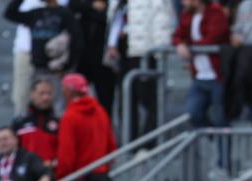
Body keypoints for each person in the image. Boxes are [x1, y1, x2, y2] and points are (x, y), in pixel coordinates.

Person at [106, 0, 177, 141]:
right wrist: (112, 43)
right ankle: (130, 140)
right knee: (126, 98)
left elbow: (162, 22)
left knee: (147, 98)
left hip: (144, 52)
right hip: (124, 52)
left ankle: (150, 141)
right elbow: (115, 19)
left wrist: (158, 53)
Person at [4, 0, 84, 107]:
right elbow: (10, 13)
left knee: (57, 105)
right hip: (38, 68)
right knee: (30, 102)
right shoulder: (36, 13)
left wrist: (67, 66)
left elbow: (77, 40)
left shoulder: (64, 13)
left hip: (56, 69)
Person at [173, 0, 230, 128]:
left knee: (220, 118)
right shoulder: (187, 15)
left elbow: (213, 38)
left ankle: (223, 147)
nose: (183, 2)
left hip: (217, 77)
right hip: (199, 77)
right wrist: (180, 44)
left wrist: (189, 47)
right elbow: (177, 35)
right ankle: (210, 139)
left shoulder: (216, 13)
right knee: (193, 114)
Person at [55, 74, 117, 180]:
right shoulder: (100, 111)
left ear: (68, 91)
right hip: (100, 176)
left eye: (64, 88)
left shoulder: (70, 116)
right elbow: (111, 145)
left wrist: (61, 178)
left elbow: (66, 154)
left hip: (78, 178)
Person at [72, 0, 118, 116]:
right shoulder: (85, 6)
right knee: (77, 99)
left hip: (104, 60)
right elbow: (72, 5)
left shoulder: (112, 4)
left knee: (105, 102)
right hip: (83, 57)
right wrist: (91, 6)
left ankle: (103, 131)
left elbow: (111, 17)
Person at [12, 78, 61, 168]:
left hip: (52, 174)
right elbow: (13, 151)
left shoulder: (59, 122)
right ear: (32, 94)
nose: (46, 97)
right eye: (42, 93)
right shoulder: (20, 122)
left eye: (49, 93)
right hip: (27, 175)